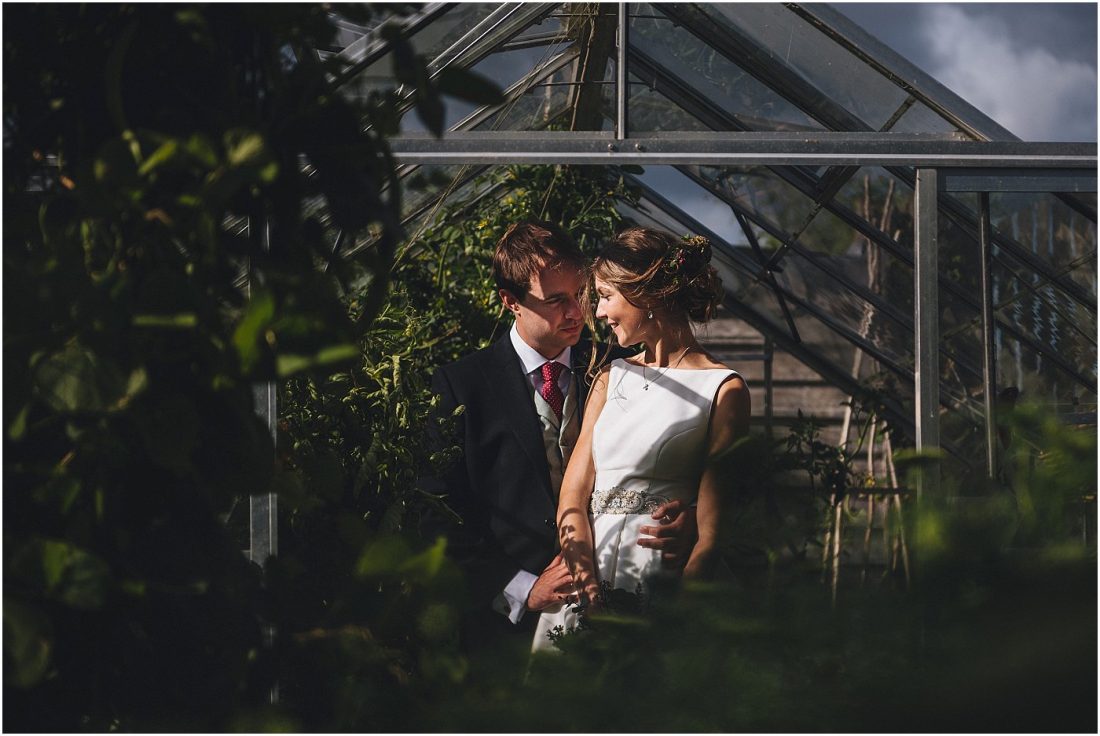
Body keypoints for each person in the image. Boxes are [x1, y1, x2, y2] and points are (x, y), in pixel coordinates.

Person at [419, 221, 697, 672]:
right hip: (504, 634)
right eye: (556, 300)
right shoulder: (461, 385)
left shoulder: (620, 368)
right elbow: (436, 513)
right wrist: (522, 589)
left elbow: (674, 463)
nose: (576, 312)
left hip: (618, 615)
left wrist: (687, 516)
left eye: (580, 294)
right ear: (510, 301)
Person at [532, 226, 750, 653]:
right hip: (587, 578)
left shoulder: (724, 389)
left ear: (645, 295)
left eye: (607, 296)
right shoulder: (610, 378)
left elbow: (712, 534)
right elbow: (573, 495)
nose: (598, 313)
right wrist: (588, 589)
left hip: (662, 583)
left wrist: (671, 621)